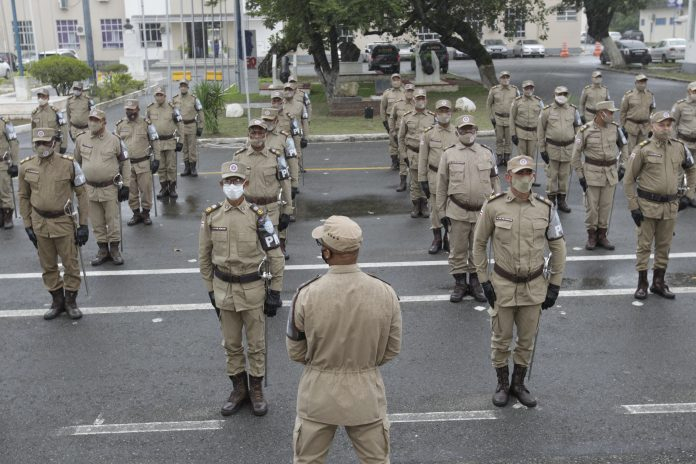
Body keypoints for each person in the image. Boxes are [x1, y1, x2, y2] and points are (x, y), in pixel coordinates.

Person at [287, 215, 401, 464]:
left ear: (327, 253)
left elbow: (295, 351)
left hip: (317, 394)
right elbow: (392, 349)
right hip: (366, 394)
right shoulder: (385, 292)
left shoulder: (306, 295)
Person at [473, 155, 567, 408]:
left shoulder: (546, 208)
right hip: (502, 284)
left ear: (534, 177)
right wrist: (484, 281)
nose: (525, 177)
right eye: (520, 173)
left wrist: (555, 284)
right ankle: (502, 384)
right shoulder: (493, 206)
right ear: (508, 177)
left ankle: (519, 383)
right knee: (501, 339)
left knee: (527, 340)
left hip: (534, 286)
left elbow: (558, 247)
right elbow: (479, 244)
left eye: (529, 173)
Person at [198, 160, 285, 417]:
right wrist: (210, 291)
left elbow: (275, 254)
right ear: (221, 184)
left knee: (256, 345)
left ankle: (256, 389)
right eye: (228, 182)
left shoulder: (258, 217)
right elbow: (204, 257)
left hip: (253, 289)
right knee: (232, 344)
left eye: (237, 182)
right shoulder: (211, 215)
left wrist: (276, 291)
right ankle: (239, 389)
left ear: (245, 184)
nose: (233, 186)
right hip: (224, 289)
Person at [623, 111, 696, 300]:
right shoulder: (642, 149)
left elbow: (691, 169)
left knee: (664, 246)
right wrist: (633, 207)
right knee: (644, 246)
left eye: (669, 125)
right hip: (647, 205)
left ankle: (658, 283)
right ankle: (642, 284)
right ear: (652, 126)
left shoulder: (680, 147)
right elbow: (629, 180)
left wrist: (689, 194)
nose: (666, 128)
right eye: (662, 125)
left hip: (671, 207)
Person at [18, 128, 89, 320]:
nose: (41, 147)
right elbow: (23, 196)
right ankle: (57, 301)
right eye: (37, 143)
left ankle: (71, 301)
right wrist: (27, 225)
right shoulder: (26, 166)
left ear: (54, 142)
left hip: (64, 222)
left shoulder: (69, 164)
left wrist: (83, 225)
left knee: (70, 264)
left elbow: (82, 194)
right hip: (40, 223)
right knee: (48, 265)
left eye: (45, 142)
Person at [436, 115, 501, 303]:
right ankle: (459, 283)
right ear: (457, 132)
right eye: (463, 129)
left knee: (478, 248)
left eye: (470, 129)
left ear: (476, 131)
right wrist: (441, 212)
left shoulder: (487, 153)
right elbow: (441, 186)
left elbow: (495, 182)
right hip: (457, 210)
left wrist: (498, 209)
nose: (467, 133)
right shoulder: (448, 154)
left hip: (482, 212)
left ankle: (475, 282)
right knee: (457, 249)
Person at [74, 109, 131, 266]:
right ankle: (102, 249)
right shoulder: (81, 139)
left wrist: (126, 185)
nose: (92, 123)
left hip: (109, 187)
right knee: (97, 221)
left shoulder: (114, 140)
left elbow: (125, 162)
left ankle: (114, 249)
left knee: (112, 220)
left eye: (96, 120)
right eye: (90, 119)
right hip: (89, 189)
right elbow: (75, 163)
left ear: (104, 122)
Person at [233, 119, 293, 260]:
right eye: (254, 132)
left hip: (270, 211)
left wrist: (288, 210)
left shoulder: (277, 157)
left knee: (272, 253)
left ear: (266, 134)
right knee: (249, 251)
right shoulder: (239, 156)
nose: (257, 135)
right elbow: (234, 185)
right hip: (247, 211)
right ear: (249, 134)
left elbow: (285, 184)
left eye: (260, 132)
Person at [571, 101, 627, 250]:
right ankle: (591, 236)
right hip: (591, 174)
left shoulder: (615, 128)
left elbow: (624, 145)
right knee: (592, 208)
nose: (612, 115)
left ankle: (602, 236)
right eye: (610, 112)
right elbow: (575, 156)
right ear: (601, 113)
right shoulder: (585, 130)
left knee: (605, 207)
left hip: (610, 174)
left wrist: (623, 166)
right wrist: (581, 176)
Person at [418, 99, 458, 254]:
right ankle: (437, 238)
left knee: (451, 208)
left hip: (453, 177)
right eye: (441, 111)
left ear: (451, 113)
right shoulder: (428, 134)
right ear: (436, 114)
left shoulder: (457, 132)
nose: (444, 114)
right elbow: (423, 158)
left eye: (447, 111)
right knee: (435, 208)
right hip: (434, 175)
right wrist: (422, 180)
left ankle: (449, 237)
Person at [115, 99, 160, 226]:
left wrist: (157, 159)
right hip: (127, 165)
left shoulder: (146, 123)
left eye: (133, 109)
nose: (131, 112)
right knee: (131, 192)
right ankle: (136, 214)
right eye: (128, 110)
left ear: (138, 109)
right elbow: (115, 145)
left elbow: (155, 141)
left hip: (143, 163)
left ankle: (146, 214)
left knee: (146, 190)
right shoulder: (120, 125)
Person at [538, 86, 582, 213]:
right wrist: (542, 149)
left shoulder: (573, 110)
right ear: (554, 95)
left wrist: (577, 149)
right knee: (552, 176)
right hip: (552, 148)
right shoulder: (547, 111)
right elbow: (540, 130)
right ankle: (551, 201)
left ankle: (562, 200)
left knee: (564, 176)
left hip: (568, 148)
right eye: (559, 93)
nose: (562, 95)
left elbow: (579, 130)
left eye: (564, 93)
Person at [399, 88, 435, 218]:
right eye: (418, 98)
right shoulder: (407, 117)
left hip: (427, 155)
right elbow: (401, 138)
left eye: (423, 98)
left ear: (426, 100)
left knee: (426, 180)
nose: (421, 101)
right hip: (412, 154)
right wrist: (403, 155)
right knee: (414, 181)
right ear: (413, 100)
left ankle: (424, 204)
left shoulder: (433, 117)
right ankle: (415, 205)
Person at [147, 86, 184, 200]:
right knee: (161, 167)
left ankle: (172, 188)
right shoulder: (150, 109)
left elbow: (180, 124)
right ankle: (164, 188)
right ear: (154, 96)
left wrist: (181, 141)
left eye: (161, 95)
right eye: (157, 95)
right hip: (157, 143)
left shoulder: (172, 108)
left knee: (171, 167)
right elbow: (147, 126)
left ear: (165, 96)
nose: (159, 97)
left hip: (169, 141)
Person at [670, 81, 696, 207]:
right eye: (694, 91)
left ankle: (691, 195)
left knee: (694, 170)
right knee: (679, 169)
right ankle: (676, 195)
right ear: (689, 92)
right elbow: (672, 124)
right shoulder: (680, 106)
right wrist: (674, 142)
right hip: (683, 142)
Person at [173, 80, 205, 177]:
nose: (183, 88)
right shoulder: (175, 99)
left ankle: (193, 168)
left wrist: (200, 126)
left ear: (188, 87)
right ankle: (187, 168)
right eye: (181, 86)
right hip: (181, 126)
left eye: (185, 86)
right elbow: (172, 113)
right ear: (179, 87)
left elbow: (200, 112)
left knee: (192, 148)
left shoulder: (194, 99)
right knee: (184, 148)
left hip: (191, 125)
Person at [486, 70, 519, 166]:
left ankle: (507, 157)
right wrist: (491, 117)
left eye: (507, 77)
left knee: (509, 139)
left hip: (510, 119)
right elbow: (488, 104)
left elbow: (518, 104)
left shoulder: (514, 90)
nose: (505, 79)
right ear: (500, 79)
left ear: (509, 78)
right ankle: (499, 157)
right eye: (503, 77)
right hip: (498, 118)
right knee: (499, 139)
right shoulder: (494, 90)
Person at [620, 74, 656, 156]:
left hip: (644, 127)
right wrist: (623, 126)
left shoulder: (650, 95)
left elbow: (653, 109)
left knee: (642, 149)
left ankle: (639, 167)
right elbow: (623, 111)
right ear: (635, 83)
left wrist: (651, 125)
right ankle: (629, 166)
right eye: (640, 82)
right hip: (631, 126)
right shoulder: (629, 95)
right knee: (631, 150)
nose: (642, 84)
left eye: (644, 82)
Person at [390, 83, 416, 190]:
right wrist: (392, 132)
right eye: (407, 91)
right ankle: (403, 182)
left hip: (413, 136)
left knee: (415, 160)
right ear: (404, 92)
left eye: (411, 91)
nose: (409, 93)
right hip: (401, 136)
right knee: (402, 159)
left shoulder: (417, 104)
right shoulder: (397, 104)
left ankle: (414, 183)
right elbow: (392, 118)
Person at [510, 80, 543, 158]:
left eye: (531, 88)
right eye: (526, 88)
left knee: (531, 157)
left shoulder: (538, 101)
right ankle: (522, 170)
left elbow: (542, 120)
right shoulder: (517, 101)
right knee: (522, 158)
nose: (529, 90)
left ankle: (530, 170)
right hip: (520, 133)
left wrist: (541, 135)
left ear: (533, 89)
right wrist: (513, 134)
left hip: (533, 134)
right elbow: (511, 118)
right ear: (523, 89)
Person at [31, 87, 68, 155]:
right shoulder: (34, 113)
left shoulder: (56, 112)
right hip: (39, 145)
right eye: (39, 96)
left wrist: (64, 145)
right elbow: (33, 130)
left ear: (48, 98)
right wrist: (33, 144)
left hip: (53, 145)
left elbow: (64, 128)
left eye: (43, 96)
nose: (41, 99)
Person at [381, 73, 405, 171]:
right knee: (393, 142)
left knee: (403, 141)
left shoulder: (405, 92)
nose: (396, 82)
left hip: (402, 121)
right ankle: (394, 162)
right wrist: (385, 123)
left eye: (398, 79)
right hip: (391, 121)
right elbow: (382, 108)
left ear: (401, 81)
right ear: (391, 82)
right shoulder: (387, 93)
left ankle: (403, 161)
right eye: (394, 80)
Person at [0, 115, 19, 229]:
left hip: (2, 163)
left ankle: (7, 216)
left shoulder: (5, 123)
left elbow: (14, 143)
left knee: (4, 191)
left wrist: (15, 164)